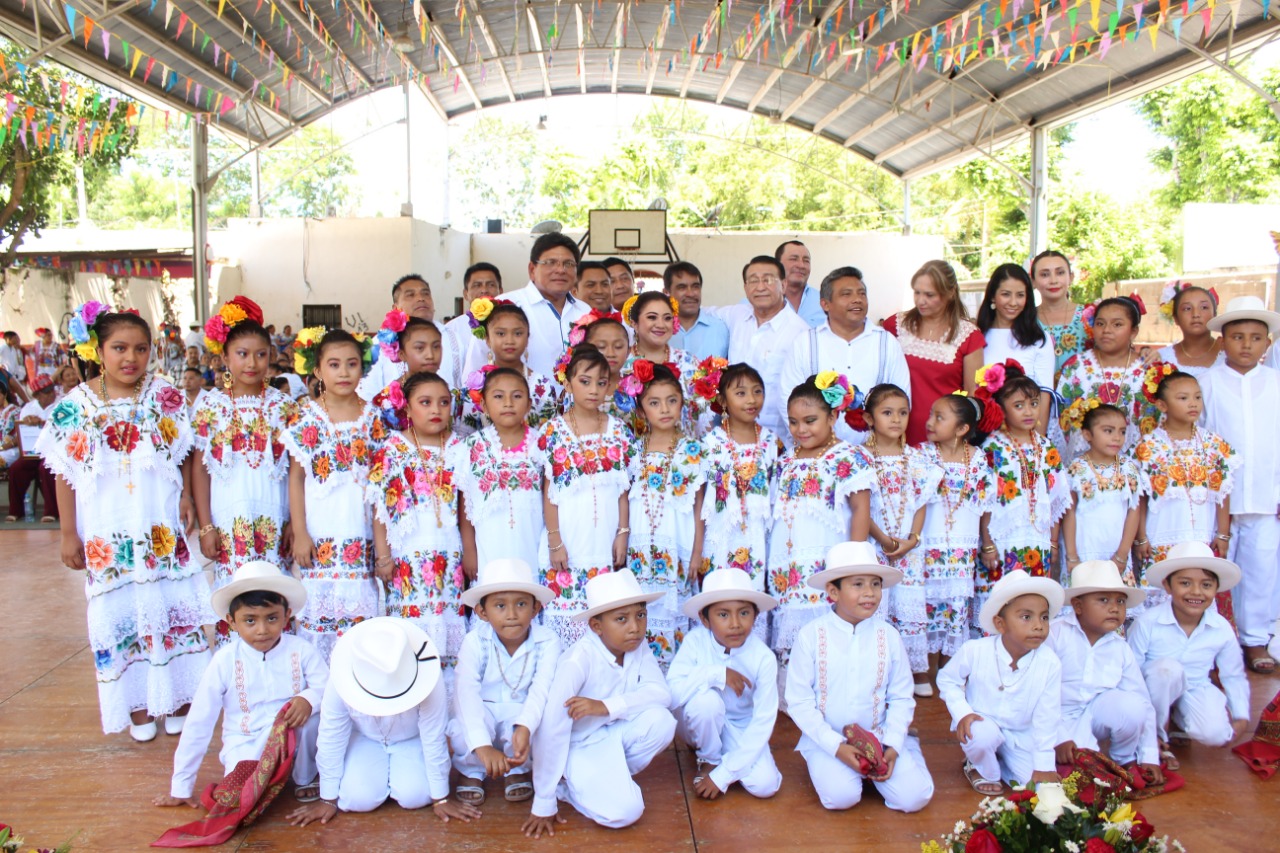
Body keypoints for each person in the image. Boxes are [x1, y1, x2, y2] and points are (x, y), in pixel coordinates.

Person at [39, 303, 212, 739]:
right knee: (123, 617)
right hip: (106, 530)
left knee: (172, 611)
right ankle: (137, 708)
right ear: (98, 350)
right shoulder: (74, 406)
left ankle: (179, 700)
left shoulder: (164, 396)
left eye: (141, 348)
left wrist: (189, 496)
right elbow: (64, 473)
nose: (130, 357)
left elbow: (186, 451)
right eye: (119, 348)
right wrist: (66, 533)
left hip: (159, 523)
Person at [155, 562, 327, 809]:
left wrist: (308, 699)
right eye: (250, 620)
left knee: (314, 720)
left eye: (272, 618)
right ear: (231, 622)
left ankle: (304, 777)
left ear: (286, 615)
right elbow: (199, 721)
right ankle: (264, 776)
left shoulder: (301, 650)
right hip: (246, 741)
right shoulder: (224, 660)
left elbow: (327, 688)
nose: (262, 630)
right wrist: (181, 785)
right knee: (238, 799)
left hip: (293, 737)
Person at [285, 618, 481, 826]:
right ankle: (380, 778)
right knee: (357, 799)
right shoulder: (340, 680)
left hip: (411, 738)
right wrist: (327, 798)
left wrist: (440, 797)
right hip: (365, 738)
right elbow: (331, 735)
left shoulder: (429, 679)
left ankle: (394, 778)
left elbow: (433, 736)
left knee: (414, 796)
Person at [526, 570, 676, 836]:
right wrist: (543, 801)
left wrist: (606, 706)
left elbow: (661, 694)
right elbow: (551, 729)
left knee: (662, 721)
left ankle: (607, 780)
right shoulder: (578, 661)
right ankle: (568, 785)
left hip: (612, 732)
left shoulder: (637, 646)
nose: (635, 627)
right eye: (621, 619)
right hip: (578, 746)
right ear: (596, 626)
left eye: (640, 615)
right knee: (627, 812)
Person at [786, 541, 933, 811]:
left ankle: (908, 746)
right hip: (828, 738)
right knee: (840, 798)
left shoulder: (888, 635)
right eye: (858, 584)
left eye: (875, 584)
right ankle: (833, 766)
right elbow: (798, 701)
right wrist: (836, 747)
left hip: (880, 735)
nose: (870, 593)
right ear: (833, 591)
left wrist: (893, 744)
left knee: (915, 798)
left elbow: (901, 695)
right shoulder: (811, 636)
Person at [190, 298, 294, 645]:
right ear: (224, 358)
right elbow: (200, 470)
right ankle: (234, 675)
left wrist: (295, 521)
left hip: (274, 516)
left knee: (271, 590)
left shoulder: (284, 406)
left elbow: (296, 470)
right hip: (228, 517)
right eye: (242, 354)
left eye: (261, 354)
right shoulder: (210, 406)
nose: (252, 363)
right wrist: (206, 526)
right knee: (234, 593)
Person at [280, 329, 383, 662]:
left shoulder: (375, 417)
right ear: (318, 370)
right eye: (334, 364)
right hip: (322, 532)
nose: (343, 372)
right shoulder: (304, 418)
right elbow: (296, 480)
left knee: (360, 622)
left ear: (362, 368)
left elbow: (383, 482)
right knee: (320, 622)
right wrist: (300, 532)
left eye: (351, 364)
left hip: (362, 530)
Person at [769, 375, 873, 686]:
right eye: (793, 422)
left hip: (827, 558)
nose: (800, 430)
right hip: (787, 563)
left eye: (810, 420)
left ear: (833, 417)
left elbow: (860, 509)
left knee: (827, 624)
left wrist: (852, 565)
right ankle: (796, 688)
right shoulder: (785, 460)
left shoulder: (848, 457)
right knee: (792, 624)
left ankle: (833, 688)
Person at [366, 372, 467, 692]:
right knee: (411, 634)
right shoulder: (393, 448)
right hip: (407, 557)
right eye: (425, 403)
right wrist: (383, 555)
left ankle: (448, 705)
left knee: (448, 630)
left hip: (449, 554)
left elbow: (465, 507)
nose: (436, 409)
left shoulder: (459, 447)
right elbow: (381, 509)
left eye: (443, 402)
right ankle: (411, 695)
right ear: (407, 409)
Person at [1201, 294, 1280, 673]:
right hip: (1218, 500)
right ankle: (1212, 640)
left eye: (1255, 337)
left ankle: (1254, 641)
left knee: (1261, 569)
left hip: (1267, 495)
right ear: (1223, 340)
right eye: (1237, 336)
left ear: (1268, 342)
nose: (1246, 344)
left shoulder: (1277, 383)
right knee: (1214, 569)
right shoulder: (1208, 382)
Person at [537, 345, 636, 645]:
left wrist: (622, 532)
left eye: (601, 382)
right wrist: (555, 542)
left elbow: (622, 487)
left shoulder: (618, 430)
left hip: (604, 535)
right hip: (570, 536)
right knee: (567, 626)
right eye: (585, 381)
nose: (594, 390)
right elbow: (549, 492)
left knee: (603, 618)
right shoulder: (552, 431)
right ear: (567, 383)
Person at [937, 569, 1064, 793]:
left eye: (1044, 617)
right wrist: (962, 712)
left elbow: (1048, 715)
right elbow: (947, 680)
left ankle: (1003, 760)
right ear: (1000, 623)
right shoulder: (975, 650)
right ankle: (981, 766)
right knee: (981, 736)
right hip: (982, 725)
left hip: (1021, 734)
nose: (1038, 625)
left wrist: (1044, 763)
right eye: (1026, 617)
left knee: (1038, 789)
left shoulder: (1050, 663)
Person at [450, 558, 561, 805]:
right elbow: (465, 694)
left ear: (535, 609)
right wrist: (481, 745)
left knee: (536, 727)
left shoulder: (548, 640)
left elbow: (542, 689)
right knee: (461, 729)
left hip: (521, 710)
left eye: (521, 604)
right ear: (482, 612)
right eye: (500, 605)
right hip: (483, 708)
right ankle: (472, 770)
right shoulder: (474, 641)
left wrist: (525, 726)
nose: (511, 615)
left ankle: (517, 769)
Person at [1128, 542, 1250, 767]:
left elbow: (1233, 674)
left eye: (1206, 585)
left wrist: (1240, 714)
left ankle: (1177, 718)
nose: (1196, 592)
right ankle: (1155, 737)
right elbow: (1131, 670)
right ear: (1167, 585)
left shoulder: (1220, 627)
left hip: (1194, 686)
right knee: (1167, 671)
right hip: (1152, 687)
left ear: (1216, 588)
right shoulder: (1148, 622)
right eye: (1185, 583)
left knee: (1217, 733)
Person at [669, 568, 782, 801]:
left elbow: (763, 721)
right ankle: (708, 758)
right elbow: (672, 695)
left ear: (756, 615)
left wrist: (725, 775)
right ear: (704, 618)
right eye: (723, 615)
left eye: (743, 613)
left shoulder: (763, 658)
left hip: (740, 726)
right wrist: (717, 673)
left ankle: (723, 757)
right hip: (698, 718)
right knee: (706, 702)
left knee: (766, 786)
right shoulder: (695, 642)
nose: (735, 624)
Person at [858, 384, 942, 694]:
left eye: (903, 413)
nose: (897, 420)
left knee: (908, 602)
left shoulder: (916, 458)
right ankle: (875, 671)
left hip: (907, 548)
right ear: (869, 418)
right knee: (875, 603)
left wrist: (912, 539)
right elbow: (859, 505)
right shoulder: (859, 457)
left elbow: (921, 502)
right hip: (875, 544)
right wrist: (882, 540)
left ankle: (914, 670)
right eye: (887, 413)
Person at [624, 362, 706, 668]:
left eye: (672, 400)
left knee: (674, 615)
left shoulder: (693, 450)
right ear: (642, 410)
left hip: (677, 543)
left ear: (682, 403)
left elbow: (699, 508)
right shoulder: (634, 450)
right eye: (654, 403)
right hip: (642, 547)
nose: (665, 409)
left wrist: (696, 553)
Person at [977, 361, 1069, 632]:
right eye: (1018, 405)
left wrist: (1052, 543)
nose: (1028, 411)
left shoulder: (1046, 447)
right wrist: (988, 543)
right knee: (1001, 604)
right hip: (1003, 543)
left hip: (1036, 543)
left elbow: (1056, 500)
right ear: (1001, 409)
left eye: (1032, 403)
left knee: (1031, 605)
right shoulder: (993, 447)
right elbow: (986, 501)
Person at [1048, 560, 1161, 778]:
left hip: (1094, 715)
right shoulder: (1054, 635)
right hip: (1054, 717)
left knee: (1132, 706)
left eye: (1120, 601)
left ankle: (1123, 759)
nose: (1114, 608)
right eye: (1103, 600)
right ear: (1078, 606)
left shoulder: (1120, 648)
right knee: (1078, 769)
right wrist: (1059, 737)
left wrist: (1149, 756)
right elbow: (1037, 693)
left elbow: (1142, 702)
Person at [1132, 371, 1235, 610]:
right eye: (1183, 398)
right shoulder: (1149, 447)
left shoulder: (1213, 444)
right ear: (1161, 404)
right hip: (1161, 535)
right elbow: (1140, 499)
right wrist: (1142, 537)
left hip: (1201, 535)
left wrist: (1222, 534)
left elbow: (1223, 492)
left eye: (1197, 397)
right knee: (1160, 601)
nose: (1193, 404)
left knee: (1198, 596)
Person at [779, 267, 912, 447]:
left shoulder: (886, 342)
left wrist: (875, 447)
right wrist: (817, 444)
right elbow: (788, 398)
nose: (857, 299)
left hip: (874, 454)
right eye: (846, 294)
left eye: (862, 293)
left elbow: (902, 398)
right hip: (819, 454)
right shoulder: (806, 342)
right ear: (826, 304)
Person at [918, 393, 995, 691]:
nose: (929, 422)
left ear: (963, 429)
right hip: (930, 540)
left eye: (940, 417)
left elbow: (985, 505)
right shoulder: (923, 455)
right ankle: (921, 671)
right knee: (928, 604)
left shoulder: (976, 459)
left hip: (962, 543)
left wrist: (986, 543)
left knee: (955, 605)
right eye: (931, 415)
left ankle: (947, 672)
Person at [451, 368, 547, 577]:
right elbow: (467, 506)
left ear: (529, 404)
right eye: (498, 396)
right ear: (484, 405)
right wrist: (469, 550)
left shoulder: (542, 445)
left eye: (517, 396)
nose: (508, 403)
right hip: (490, 547)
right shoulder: (471, 448)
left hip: (532, 544)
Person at [699, 363, 782, 601]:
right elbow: (701, 498)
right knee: (719, 597)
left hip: (757, 537)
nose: (751, 399)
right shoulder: (710, 443)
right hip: (719, 535)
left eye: (757, 391)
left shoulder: (770, 442)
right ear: (723, 401)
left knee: (751, 596)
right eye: (741, 393)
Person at [883, 260, 985, 446]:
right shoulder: (895, 326)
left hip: (945, 440)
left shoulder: (968, 335)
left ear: (950, 294)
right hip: (896, 435)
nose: (921, 300)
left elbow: (974, 394)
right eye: (917, 292)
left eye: (930, 295)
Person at [1057, 295, 1160, 461]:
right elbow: (1059, 421)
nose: (1106, 330)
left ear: (1134, 331)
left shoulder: (1148, 370)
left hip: (1137, 466)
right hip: (1085, 470)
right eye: (1100, 323)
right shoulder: (1076, 366)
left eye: (1117, 324)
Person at [720, 256, 809, 440]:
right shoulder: (736, 315)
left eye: (768, 280)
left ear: (783, 285)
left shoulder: (801, 333)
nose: (760, 287)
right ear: (745, 288)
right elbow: (698, 313)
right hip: (734, 441)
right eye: (753, 281)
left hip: (780, 442)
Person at [1060, 405, 1141, 586]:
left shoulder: (1129, 468)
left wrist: (1122, 554)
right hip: (1084, 550)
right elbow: (1069, 512)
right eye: (1108, 431)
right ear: (1087, 435)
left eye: (1121, 432)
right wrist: (1072, 555)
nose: (1116, 438)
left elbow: (1134, 511)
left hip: (1116, 551)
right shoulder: (1076, 468)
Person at [455, 300, 562, 436]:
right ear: (487, 338)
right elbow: (465, 435)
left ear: (528, 337)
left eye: (518, 333)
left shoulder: (541, 385)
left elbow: (551, 435)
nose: (509, 340)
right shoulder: (475, 386)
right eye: (501, 334)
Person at [977, 264, 1055, 434]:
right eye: (1006, 294)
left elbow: (1044, 393)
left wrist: (1037, 442)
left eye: (1020, 295)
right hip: (982, 433)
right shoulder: (976, 336)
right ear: (992, 296)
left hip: (1024, 437)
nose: (1013, 302)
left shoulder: (1039, 340)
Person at [621, 291, 706, 436]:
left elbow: (702, 419)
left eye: (667, 318)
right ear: (634, 323)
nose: (660, 325)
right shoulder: (621, 364)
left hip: (683, 452)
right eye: (652, 317)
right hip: (632, 454)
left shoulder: (688, 362)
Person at [507, 233, 590, 376]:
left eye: (568, 264)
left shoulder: (585, 311)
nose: (560, 270)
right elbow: (477, 368)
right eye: (550, 262)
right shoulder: (508, 306)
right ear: (532, 270)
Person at [360, 274, 450, 400]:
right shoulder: (376, 346)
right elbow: (367, 396)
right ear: (395, 308)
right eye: (410, 295)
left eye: (425, 293)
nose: (421, 298)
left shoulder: (452, 336)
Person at [357, 310, 445, 403]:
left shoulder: (452, 394)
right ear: (402, 354)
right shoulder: (388, 400)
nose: (430, 355)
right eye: (420, 348)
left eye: (436, 346)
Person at [4, 375, 59, 522]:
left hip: (55, 452)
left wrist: (43, 423)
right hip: (32, 452)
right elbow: (21, 432)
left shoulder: (62, 403)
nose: (52, 393)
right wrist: (27, 422)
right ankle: (16, 511)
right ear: (37, 395)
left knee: (46, 468)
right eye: (46, 392)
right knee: (17, 468)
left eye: (52, 389)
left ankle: (51, 511)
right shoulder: (29, 408)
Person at [442, 262, 503, 388]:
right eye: (477, 285)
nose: (484, 290)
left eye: (491, 285)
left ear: (501, 291)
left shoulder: (514, 324)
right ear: (466, 294)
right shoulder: (451, 330)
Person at [1031, 250, 1088, 375]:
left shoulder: (1089, 316)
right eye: (1045, 275)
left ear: (1071, 277)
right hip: (1037, 392)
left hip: (1084, 393)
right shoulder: (1026, 319)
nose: (1053, 280)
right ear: (1033, 281)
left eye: (1060, 273)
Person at [665, 261, 729, 360]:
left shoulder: (721, 329)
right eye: (682, 287)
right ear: (667, 293)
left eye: (695, 287)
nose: (690, 294)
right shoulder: (659, 330)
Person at [1156, 282, 1223, 377]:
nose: (1196, 314)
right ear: (1176, 318)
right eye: (1187, 308)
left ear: (1214, 314)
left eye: (1204, 307)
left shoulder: (1230, 354)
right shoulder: (1161, 358)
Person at [774, 240, 826, 327]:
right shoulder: (755, 304)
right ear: (777, 265)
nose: (801, 265)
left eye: (806, 261)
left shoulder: (826, 303)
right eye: (794, 259)